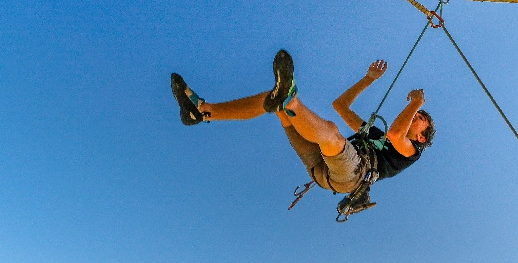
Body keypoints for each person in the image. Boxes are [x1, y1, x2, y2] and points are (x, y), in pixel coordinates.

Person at [170, 49, 435, 196]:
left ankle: (290, 97)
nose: (414, 116)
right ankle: (202, 111)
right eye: (417, 114)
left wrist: (416, 103)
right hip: (323, 165)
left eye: (419, 120)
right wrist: (368, 79)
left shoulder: (412, 152)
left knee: (331, 132)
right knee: (274, 102)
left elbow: (396, 132)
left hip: (351, 176)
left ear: (421, 137)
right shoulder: (375, 135)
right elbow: (340, 106)